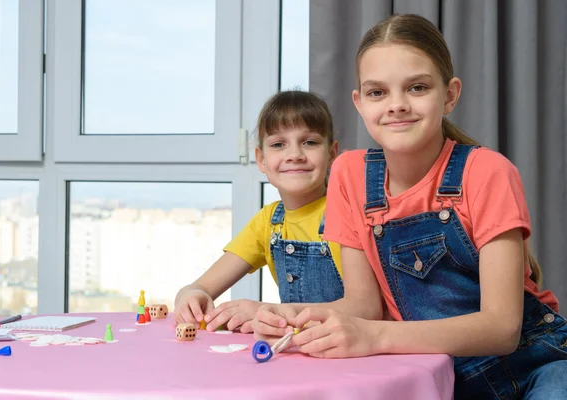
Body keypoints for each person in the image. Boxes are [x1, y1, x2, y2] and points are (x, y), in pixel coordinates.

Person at [252, 14, 567, 399]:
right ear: (359, 102)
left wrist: (375, 336)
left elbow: (502, 329)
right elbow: (363, 305)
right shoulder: (349, 174)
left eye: (417, 87)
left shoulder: (487, 171)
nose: (397, 105)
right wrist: (284, 315)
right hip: (439, 378)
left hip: (538, 366)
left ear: (450, 94)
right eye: (377, 92)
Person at [173, 90, 344, 333]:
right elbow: (199, 286)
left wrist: (266, 311)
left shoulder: (347, 213)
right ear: (261, 160)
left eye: (310, 142)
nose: (294, 155)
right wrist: (190, 296)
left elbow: (363, 310)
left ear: (332, 153)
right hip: (298, 354)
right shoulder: (269, 221)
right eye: (278, 144)